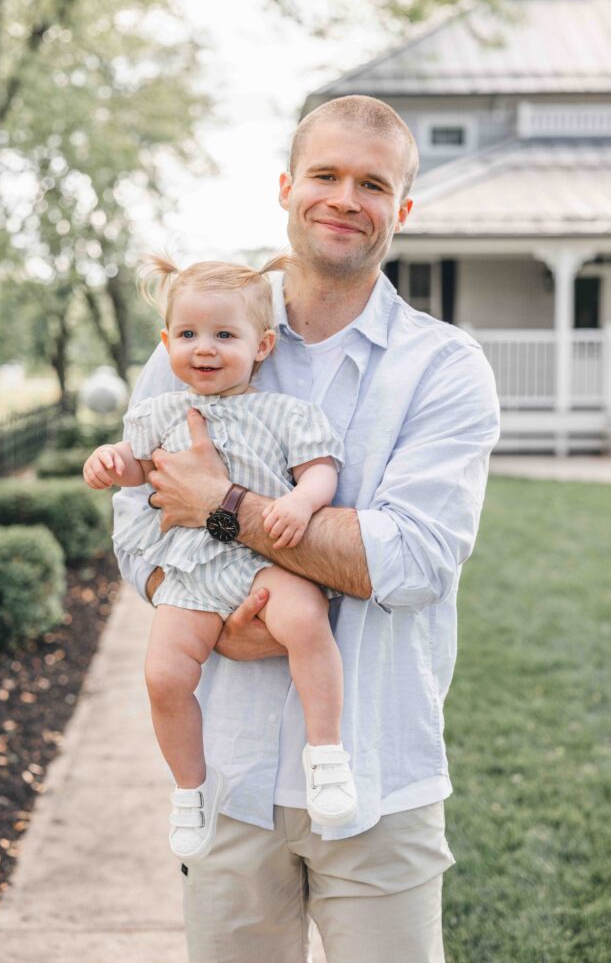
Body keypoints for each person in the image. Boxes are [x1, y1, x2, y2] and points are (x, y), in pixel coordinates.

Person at [114, 95, 501, 963]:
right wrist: (206, 614)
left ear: (401, 209)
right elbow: (136, 528)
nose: (344, 199)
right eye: (324, 174)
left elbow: (410, 561)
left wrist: (223, 507)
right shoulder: (201, 336)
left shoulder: (443, 368)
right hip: (229, 775)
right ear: (287, 187)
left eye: (372, 184)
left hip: (376, 772)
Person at [83, 253, 358, 860]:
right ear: (166, 344)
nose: (203, 348)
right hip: (193, 569)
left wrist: (303, 502)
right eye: (187, 334)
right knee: (164, 675)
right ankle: (191, 788)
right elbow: (138, 468)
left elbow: (321, 470)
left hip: (266, 561)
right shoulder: (159, 413)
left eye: (224, 335)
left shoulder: (285, 412)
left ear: (262, 345)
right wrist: (110, 461)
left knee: (306, 620)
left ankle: (326, 753)